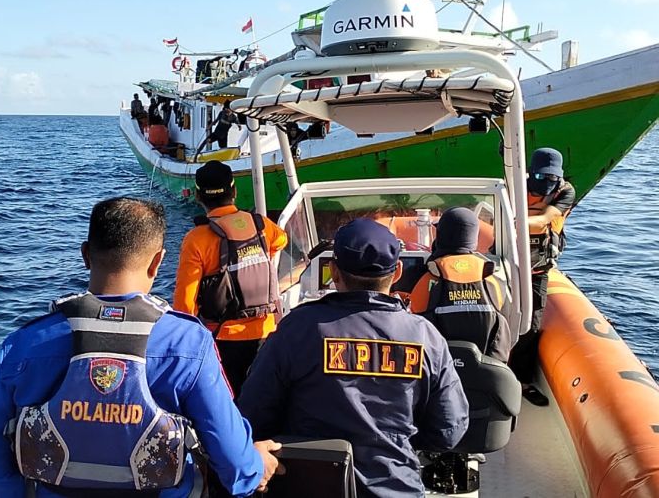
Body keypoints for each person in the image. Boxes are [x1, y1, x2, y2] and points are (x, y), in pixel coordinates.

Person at [0, 197, 281, 498]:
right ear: (158, 261)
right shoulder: (188, 343)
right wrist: (257, 465)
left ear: (86, 255)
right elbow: (235, 467)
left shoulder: (22, 345)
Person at [239, 218, 469, 498]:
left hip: (308, 485)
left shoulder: (296, 330)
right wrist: (395, 440)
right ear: (396, 272)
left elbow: (252, 412)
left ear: (334, 272)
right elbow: (449, 430)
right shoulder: (425, 337)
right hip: (397, 487)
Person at [173, 161, 287, 397]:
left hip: (223, 338)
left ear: (198, 196)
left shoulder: (197, 239)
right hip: (266, 331)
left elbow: (185, 305)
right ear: (234, 192)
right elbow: (281, 241)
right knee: (261, 400)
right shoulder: (260, 224)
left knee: (227, 401)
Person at [509, 147, 575, 406]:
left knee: (532, 324)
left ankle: (522, 380)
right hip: (510, 262)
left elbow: (548, 218)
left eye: (552, 178)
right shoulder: (515, 185)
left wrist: (515, 219)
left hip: (539, 266)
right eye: (541, 178)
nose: (546, 184)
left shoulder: (565, 192)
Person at [409, 206, 512, 362]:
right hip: (485, 373)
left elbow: (415, 315)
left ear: (440, 237)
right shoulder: (491, 279)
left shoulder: (430, 278)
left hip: (441, 374)